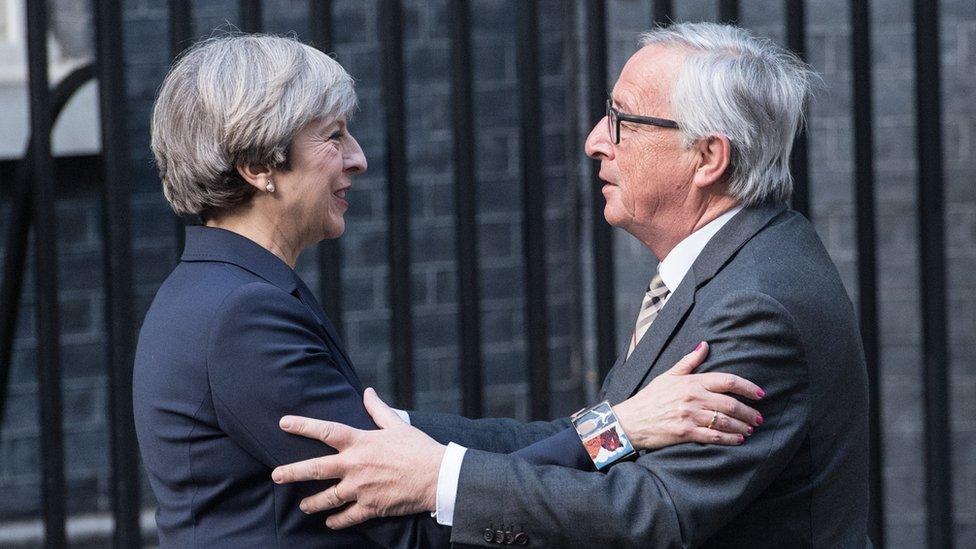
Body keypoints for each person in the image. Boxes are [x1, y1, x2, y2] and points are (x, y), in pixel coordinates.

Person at [132, 33, 765, 548]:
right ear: (257, 167)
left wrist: (610, 423)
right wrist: (619, 430)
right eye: (332, 136)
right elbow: (411, 523)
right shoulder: (243, 314)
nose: (358, 158)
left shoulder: (220, 295)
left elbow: (418, 462)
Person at [271, 22, 871, 548]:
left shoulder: (756, 303)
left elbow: (652, 512)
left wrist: (440, 479)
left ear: (708, 157)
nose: (594, 141)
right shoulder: (734, 264)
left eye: (622, 120)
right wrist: (394, 429)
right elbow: (595, 441)